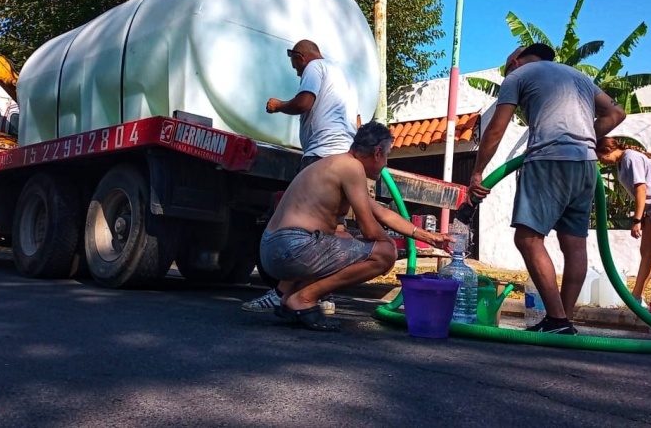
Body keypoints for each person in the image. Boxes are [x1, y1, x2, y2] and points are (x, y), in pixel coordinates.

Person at [468, 43, 626, 335]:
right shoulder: (578, 76)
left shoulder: (518, 76)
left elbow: (496, 128)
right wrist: (584, 137)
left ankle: (557, 319)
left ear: (515, 61)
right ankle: (563, 321)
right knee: (574, 244)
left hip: (548, 161)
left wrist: (478, 172)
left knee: (528, 239)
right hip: (586, 166)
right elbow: (617, 114)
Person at [259, 121, 451, 331]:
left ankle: (288, 298)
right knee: (385, 253)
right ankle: (304, 299)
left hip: (274, 249)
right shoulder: (352, 168)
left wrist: (431, 238)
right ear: (378, 152)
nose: (386, 163)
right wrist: (389, 248)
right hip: (292, 248)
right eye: (386, 155)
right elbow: (369, 229)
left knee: (346, 238)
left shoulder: (338, 163)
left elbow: (382, 212)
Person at [242, 40, 361, 314]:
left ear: (301, 57)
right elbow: (356, 122)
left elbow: (305, 102)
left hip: (320, 155)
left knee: (305, 228)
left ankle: (281, 294)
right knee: (333, 228)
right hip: (344, 155)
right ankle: (323, 295)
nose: (297, 72)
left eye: (295, 66)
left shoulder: (315, 67)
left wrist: (279, 105)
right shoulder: (345, 76)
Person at [595, 137, 651, 306]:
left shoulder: (631, 158)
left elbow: (641, 189)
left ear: (607, 150)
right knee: (646, 252)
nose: (601, 161)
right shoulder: (621, 163)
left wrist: (636, 219)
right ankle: (635, 298)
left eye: (601, 157)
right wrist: (642, 216)